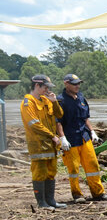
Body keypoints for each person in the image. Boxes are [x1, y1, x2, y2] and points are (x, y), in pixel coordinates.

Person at [56, 74, 107, 202]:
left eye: (78, 83)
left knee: (92, 165)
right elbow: (58, 122)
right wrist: (62, 138)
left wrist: (92, 132)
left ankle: (98, 193)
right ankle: (77, 194)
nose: (77, 86)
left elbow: (85, 118)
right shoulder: (60, 100)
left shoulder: (81, 97)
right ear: (66, 84)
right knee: (73, 168)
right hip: (70, 140)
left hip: (84, 136)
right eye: (74, 84)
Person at [20, 74, 67, 210]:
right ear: (37, 85)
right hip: (38, 144)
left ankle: (51, 201)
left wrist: (54, 101)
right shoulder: (28, 102)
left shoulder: (46, 100)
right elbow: (33, 124)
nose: (47, 90)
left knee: (51, 171)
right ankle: (42, 203)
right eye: (45, 87)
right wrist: (52, 136)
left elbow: (60, 115)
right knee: (39, 172)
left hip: (51, 145)